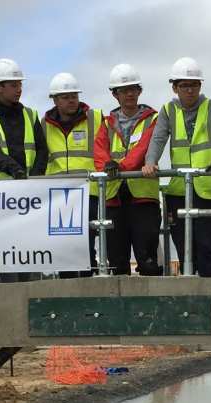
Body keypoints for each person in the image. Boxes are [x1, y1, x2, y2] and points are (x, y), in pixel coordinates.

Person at [143, 57, 211, 277]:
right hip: (178, 191)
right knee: (184, 249)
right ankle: (189, 298)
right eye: (184, 86)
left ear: (200, 86)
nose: (189, 90)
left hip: (207, 190)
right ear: (175, 87)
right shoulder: (168, 110)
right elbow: (158, 139)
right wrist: (150, 162)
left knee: (208, 247)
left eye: (193, 85)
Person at [0, 58, 48, 283]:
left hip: (30, 193)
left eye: (20, 84)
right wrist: (16, 171)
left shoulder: (30, 114)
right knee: (7, 250)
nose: (19, 89)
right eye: (14, 84)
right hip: (2, 195)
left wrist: (35, 177)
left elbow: (42, 150)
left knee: (32, 249)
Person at [93, 63, 164, 276]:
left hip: (143, 196)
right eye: (124, 90)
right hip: (114, 197)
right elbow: (99, 150)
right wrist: (107, 165)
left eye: (133, 89)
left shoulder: (153, 118)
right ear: (115, 95)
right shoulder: (106, 122)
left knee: (148, 257)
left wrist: (118, 167)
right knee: (116, 259)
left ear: (140, 91)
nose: (129, 94)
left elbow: (144, 148)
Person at [44, 73, 103, 278]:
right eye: (65, 97)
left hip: (89, 191)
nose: (71, 100)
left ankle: (90, 287)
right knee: (64, 247)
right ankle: (66, 287)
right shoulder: (44, 124)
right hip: (59, 194)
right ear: (55, 100)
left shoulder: (96, 118)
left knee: (88, 243)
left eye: (74, 96)